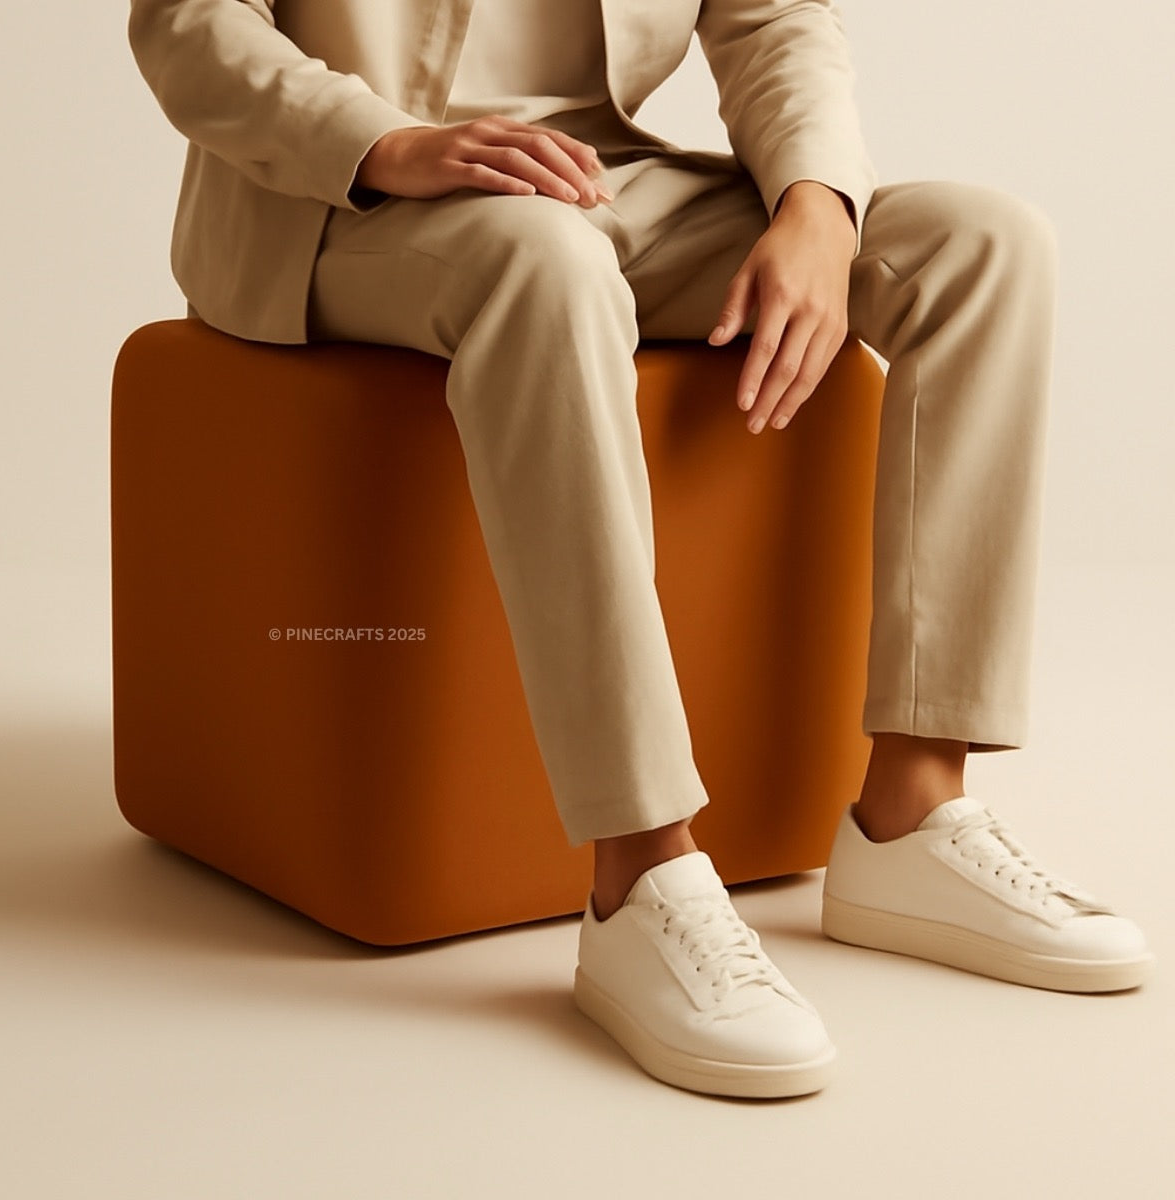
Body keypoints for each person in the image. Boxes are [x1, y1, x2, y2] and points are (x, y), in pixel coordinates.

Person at [127, 0, 1154, 1099]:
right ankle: (642, 874)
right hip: (335, 204)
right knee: (549, 266)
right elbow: (187, 24)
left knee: (983, 246)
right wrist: (384, 142)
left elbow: (771, 21)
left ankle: (911, 811)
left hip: (599, 180)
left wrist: (817, 201)